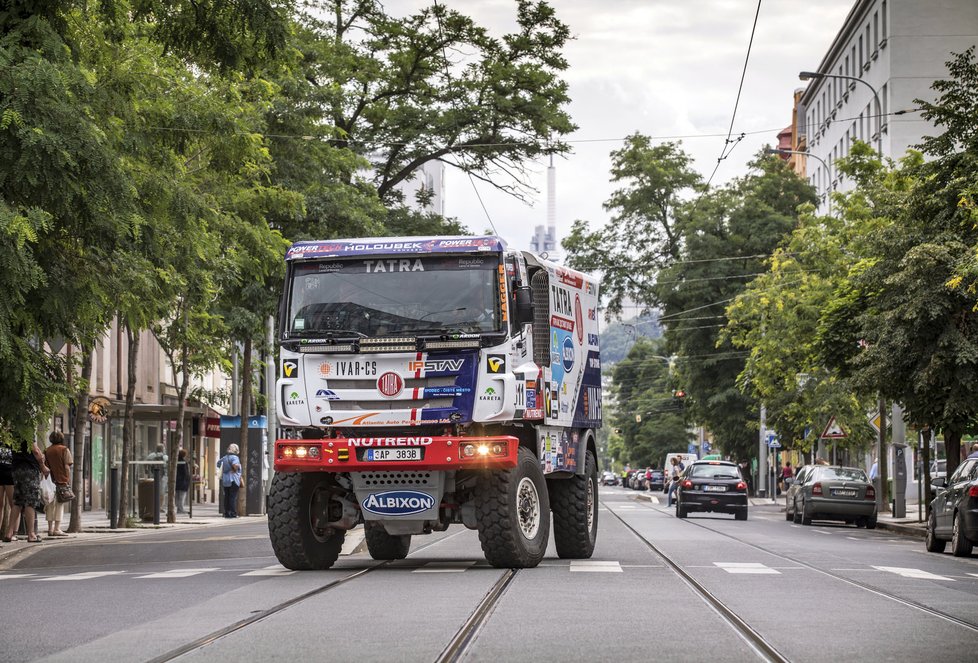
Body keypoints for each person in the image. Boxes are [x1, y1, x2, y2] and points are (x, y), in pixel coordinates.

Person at [2, 438, 48, 543]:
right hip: (30, 469)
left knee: (17, 501)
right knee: (30, 502)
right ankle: (31, 534)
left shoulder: (13, 431)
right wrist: (43, 466)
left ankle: (9, 533)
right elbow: (35, 451)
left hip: (16, 469)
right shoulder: (28, 428)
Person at [43, 431, 73, 537]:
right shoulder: (64, 450)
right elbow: (67, 467)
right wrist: (67, 479)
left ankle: (50, 529)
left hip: (49, 481)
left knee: (50, 504)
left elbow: (44, 466)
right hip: (61, 480)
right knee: (59, 505)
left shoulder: (47, 451)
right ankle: (57, 528)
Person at [217, 444, 242, 518]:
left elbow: (218, 464)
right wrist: (235, 468)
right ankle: (233, 513)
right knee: (232, 497)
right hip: (234, 479)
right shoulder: (235, 457)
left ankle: (226, 513)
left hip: (225, 480)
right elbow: (235, 465)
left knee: (227, 497)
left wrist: (225, 469)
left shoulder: (224, 458)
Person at [175, 448, 191, 514]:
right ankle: (180, 509)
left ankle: (179, 508)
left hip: (177, 481)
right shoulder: (184, 462)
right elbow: (185, 473)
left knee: (178, 496)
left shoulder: (176, 461)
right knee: (182, 496)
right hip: (183, 482)